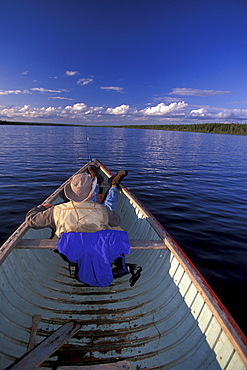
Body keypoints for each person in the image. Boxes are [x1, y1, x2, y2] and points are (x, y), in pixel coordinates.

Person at [25, 165, 142, 287]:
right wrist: (103, 211)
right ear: (91, 194)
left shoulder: (56, 210)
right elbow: (116, 221)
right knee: (109, 206)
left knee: (103, 209)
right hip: (99, 249)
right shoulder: (102, 210)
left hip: (70, 252)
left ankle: (97, 179)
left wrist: (43, 207)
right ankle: (113, 185)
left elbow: (31, 220)